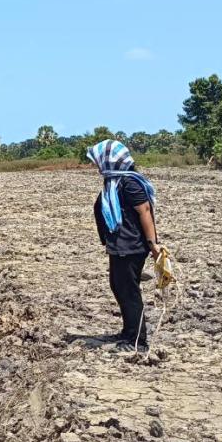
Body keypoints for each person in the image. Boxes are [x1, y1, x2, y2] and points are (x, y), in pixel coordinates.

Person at [87, 139, 161, 352]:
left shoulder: (129, 183)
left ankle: (138, 341)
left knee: (128, 290)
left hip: (131, 246)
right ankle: (128, 331)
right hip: (120, 246)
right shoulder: (115, 182)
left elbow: (145, 211)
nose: (96, 165)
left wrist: (153, 245)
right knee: (118, 286)